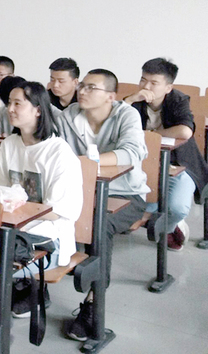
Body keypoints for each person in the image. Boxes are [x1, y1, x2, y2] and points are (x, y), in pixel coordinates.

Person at [57, 69, 148, 341]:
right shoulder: (69, 115)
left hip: (126, 194)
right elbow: (57, 150)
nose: (82, 91)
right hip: (82, 192)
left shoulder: (126, 115)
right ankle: (31, 285)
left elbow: (132, 152)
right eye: (82, 86)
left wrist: (86, 162)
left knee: (100, 224)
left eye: (91, 87)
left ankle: (93, 302)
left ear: (111, 96)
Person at [0, 81, 83, 317]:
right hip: (14, 229)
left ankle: (26, 291)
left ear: (37, 109)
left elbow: (59, 212)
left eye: (18, 104)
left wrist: (20, 212)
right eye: (9, 103)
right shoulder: (10, 144)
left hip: (49, 236)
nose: (10, 109)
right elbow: (2, 193)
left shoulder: (59, 152)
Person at [123, 58, 208, 251]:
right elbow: (115, 124)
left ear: (168, 87)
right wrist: (128, 101)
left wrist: (152, 135)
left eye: (154, 83)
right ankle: (161, 221)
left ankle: (166, 226)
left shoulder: (178, 100)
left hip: (179, 164)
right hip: (144, 165)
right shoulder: (134, 101)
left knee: (177, 208)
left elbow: (185, 131)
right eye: (143, 80)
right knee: (131, 206)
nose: (146, 87)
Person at [0, 75, 26, 145]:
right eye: (9, 103)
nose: (10, 109)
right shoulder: (4, 113)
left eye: (17, 103)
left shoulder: (51, 114)